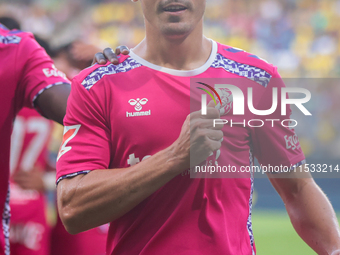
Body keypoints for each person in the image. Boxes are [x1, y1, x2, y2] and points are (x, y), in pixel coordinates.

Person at [56, 1, 340, 254]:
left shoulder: (256, 79)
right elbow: (73, 208)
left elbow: (297, 188)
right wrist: (175, 158)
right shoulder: (97, 84)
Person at [0, 21, 127, 255]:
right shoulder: (21, 53)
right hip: (37, 203)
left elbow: (210, 167)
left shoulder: (216, 77)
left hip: (56, 205)